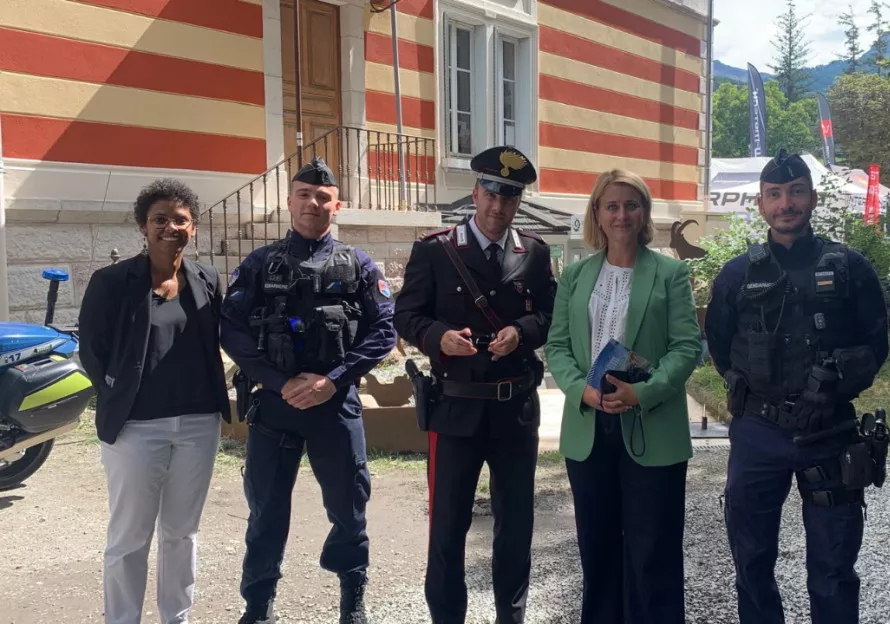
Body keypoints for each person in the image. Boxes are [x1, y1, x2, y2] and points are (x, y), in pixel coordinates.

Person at [704, 150, 890, 623]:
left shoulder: (849, 267)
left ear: (810, 197)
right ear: (762, 204)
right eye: (775, 195)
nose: (786, 203)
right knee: (751, 559)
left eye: (795, 192)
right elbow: (720, 346)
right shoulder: (736, 274)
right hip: (758, 432)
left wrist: (831, 386)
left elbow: (875, 345)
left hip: (829, 431)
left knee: (833, 566)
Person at [220, 158, 396, 624]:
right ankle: (258, 606)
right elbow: (232, 329)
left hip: (334, 405)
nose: (312, 203)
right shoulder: (260, 263)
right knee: (266, 511)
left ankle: (351, 600)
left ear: (336, 205)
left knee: (349, 507)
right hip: (276, 406)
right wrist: (279, 381)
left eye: (322, 197)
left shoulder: (359, 265)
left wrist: (331, 381)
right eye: (304, 194)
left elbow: (383, 331)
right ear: (290, 201)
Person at [393, 145, 556, 624]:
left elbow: (549, 316)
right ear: (475, 192)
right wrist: (438, 336)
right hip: (455, 410)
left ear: (518, 203)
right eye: (491, 193)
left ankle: (512, 615)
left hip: (515, 410)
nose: (498, 206)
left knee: (515, 526)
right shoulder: (436, 250)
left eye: (509, 197)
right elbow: (406, 314)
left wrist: (522, 333)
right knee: (447, 528)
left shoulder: (535, 252)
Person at [544, 169, 702, 623]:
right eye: (611, 205)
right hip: (589, 428)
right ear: (597, 212)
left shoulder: (670, 272)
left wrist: (643, 393)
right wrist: (582, 391)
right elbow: (557, 346)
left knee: (653, 550)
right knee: (597, 548)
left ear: (644, 212)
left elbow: (686, 346)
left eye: (631, 205)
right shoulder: (574, 276)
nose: (621, 214)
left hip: (651, 425)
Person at [78, 179, 232, 624]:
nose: (170, 227)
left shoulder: (207, 278)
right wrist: (115, 393)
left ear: (194, 229)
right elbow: (92, 348)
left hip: (198, 425)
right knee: (129, 536)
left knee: (182, 533)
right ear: (143, 227)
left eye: (180, 220)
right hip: (135, 429)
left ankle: (176, 616)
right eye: (160, 219)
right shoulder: (112, 282)